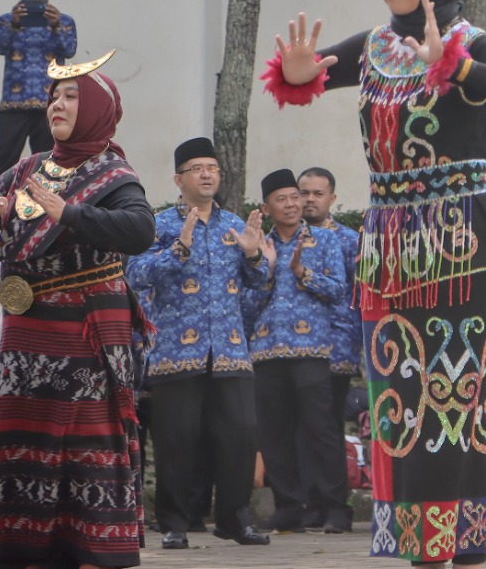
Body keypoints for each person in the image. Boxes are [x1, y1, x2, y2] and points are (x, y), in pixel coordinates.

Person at [264, 0, 486, 565]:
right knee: (403, 391)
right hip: (392, 246)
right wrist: (299, 73)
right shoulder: (373, 48)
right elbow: (312, 73)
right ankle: (424, 542)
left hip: (466, 242)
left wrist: (459, 69)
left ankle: (467, 541)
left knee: (465, 389)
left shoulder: (471, 41)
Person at [0, 52, 157, 569]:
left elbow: (140, 230)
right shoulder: (31, 167)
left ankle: (91, 551)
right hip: (27, 336)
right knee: (25, 437)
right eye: (53, 97)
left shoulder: (113, 173)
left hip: (84, 336)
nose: (56, 105)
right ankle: (21, 548)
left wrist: (69, 212)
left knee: (84, 439)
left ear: (96, 108)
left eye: (70, 96)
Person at [128, 136, 272, 549]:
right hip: (177, 352)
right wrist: (180, 250)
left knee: (240, 435)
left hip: (230, 350)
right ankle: (174, 523)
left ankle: (234, 521)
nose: (207, 175)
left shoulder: (234, 225)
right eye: (197, 169)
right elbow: (135, 274)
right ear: (179, 179)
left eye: (212, 168)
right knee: (177, 441)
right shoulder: (158, 224)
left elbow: (259, 282)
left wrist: (253, 255)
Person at [246, 169, 352, 534]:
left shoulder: (324, 240)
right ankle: (288, 508)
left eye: (295, 197)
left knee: (321, 431)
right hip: (266, 352)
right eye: (282, 199)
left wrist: (303, 272)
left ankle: (337, 508)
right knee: (273, 434)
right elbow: (246, 303)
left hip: (311, 351)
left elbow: (338, 290)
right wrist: (267, 268)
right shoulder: (258, 245)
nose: (293, 204)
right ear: (266, 208)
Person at [299, 164, 362, 503]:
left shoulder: (349, 241)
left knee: (328, 427)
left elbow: (360, 295)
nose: (310, 200)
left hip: (337, 347)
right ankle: (304, 500)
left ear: (332, 198)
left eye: (317, 194)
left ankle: (331, 503)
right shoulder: (283, 238)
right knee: (298, 428)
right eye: (304, 193)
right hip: (294, 350)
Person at [0, 0, 77, 182]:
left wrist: (56, 26)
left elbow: (69, 50)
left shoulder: (64, 21)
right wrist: (15, 24)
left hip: (50, 103)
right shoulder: (7, 20)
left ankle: (48, 202)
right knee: (4, 158)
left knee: (50, 160)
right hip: (14, 103)